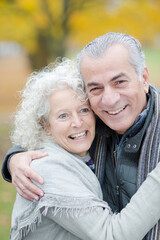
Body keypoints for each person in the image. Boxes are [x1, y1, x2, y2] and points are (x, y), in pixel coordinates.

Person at [1, 33, 160, 239]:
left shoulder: (98, 119)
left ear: (144, 78)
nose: (110, 100)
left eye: (119, 82)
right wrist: (15, 157)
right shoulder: (92, 124)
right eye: (96, 88)